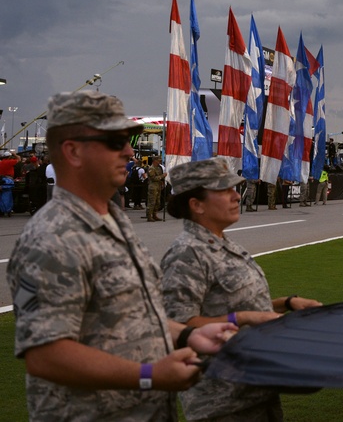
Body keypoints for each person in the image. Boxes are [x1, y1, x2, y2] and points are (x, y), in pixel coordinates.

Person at [6, 91, 235, 421]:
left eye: (129, 138)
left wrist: (189, 334)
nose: (129, 150)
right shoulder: (51, 238)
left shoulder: (111, 221)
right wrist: (148, 375)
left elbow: (130, 318)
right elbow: (46, 355)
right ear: (72, 151)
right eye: (115, 141)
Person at [160, 157, 322, 421]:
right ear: (196, 204)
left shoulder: (224, 243)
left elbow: (235, 306)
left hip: (258, 388)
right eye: (224, 190)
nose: (236, 196)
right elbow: (179, 326)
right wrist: (245, 318)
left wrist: (287, 303)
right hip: (223, 402)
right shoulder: (187, 254)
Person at [146, 155, 165, 221]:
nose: (159, 162)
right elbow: (153, 178)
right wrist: (162, 176)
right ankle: (149, 216)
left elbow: (159, 178)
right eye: (158, 160)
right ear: (155, 161)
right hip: (153, 187)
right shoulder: (151, 168)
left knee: (157, 202)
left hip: (158, 186)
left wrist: (162, 182)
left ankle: (154, 215)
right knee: (152, 202)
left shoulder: (159, 168)